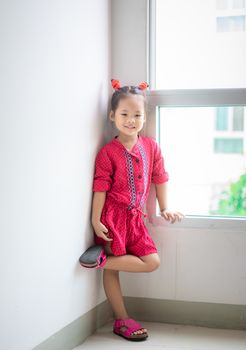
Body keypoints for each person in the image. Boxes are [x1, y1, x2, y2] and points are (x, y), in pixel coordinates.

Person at [79, 79, 184, 341]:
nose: (131, 120)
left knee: (152, 261)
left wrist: (165, 207)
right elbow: (100, 188)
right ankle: (121, 319)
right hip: (112, 218)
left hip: (137, 220)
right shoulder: (107, 153)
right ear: (113, 115)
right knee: (113, 272)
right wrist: (95, 220)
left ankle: (100, 260)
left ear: (144, 116)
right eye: (124, 114)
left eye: (137, 114)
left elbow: (160, 177)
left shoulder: (151, 147)